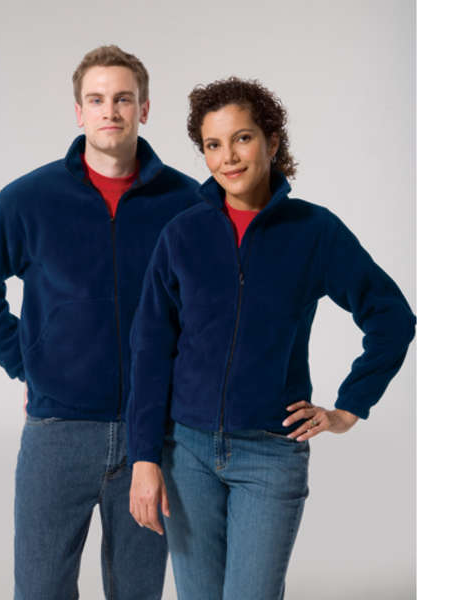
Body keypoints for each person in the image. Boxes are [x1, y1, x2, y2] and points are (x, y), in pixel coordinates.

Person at [127, 77, 416, 599]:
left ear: (272, 141)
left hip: (270, 454)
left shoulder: (314, 232)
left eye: (242, 138)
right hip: (186, 452)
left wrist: (349, 408)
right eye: (213, 144)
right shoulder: (183, 234)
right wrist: (144, 456)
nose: (228, 157)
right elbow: (150, 350)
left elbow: (391, 317)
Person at [0, 45, 198, 600]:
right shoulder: (30, 199)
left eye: (123, 99)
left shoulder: (185, 202)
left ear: (144, 108)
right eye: (97, 99)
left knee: (137, 592)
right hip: (57, 430)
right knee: (40, 589)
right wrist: (25, 360)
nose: (110, 110)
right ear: (79, 112)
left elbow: (211, 307)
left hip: (152, 434)